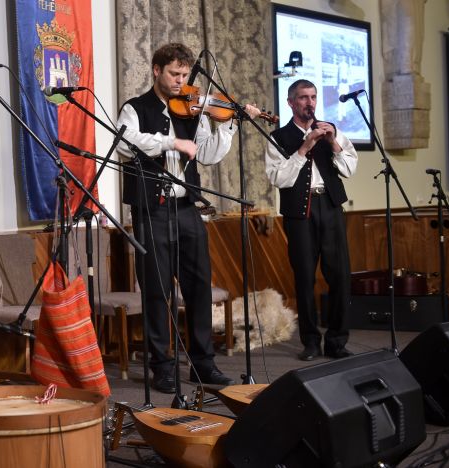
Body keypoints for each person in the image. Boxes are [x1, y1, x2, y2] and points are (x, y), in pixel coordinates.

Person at [116, 43, 261, 393]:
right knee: (157, 290)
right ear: (156, 71)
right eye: (174, 74)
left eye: (184, 74)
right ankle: (162, 367)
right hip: (151, 211)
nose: (181, 81)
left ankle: (203, 364)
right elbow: (123, 143)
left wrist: (228, 124)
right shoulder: (135, 108)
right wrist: (171, 143)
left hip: (186, 209)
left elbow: (207, 154)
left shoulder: (192, 110)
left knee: (198, 287)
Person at [265, 79, 357, 361]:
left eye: (313, 97)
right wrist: (304, 148)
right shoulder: (278, 137)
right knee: (304, 278)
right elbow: (277, 177)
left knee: (340, 276)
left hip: (330, 207)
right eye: (303, 97)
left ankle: (337, 342)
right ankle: (311, 343)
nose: (310, 102)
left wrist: (333, 142)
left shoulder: (332, 130)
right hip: (299, 214)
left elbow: (349, 169)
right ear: (291, 102)